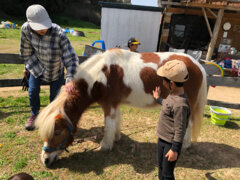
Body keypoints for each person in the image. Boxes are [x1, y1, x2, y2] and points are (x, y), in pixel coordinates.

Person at [20, 4, 78, 130]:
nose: (43, 29)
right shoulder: (25, 29)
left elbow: (71, 58)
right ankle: (35, 114)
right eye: (39, 26)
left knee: (55, 97)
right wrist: (26, 67)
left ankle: (52, 118)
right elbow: (26, 52)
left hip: (55, 68)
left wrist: (70, 79)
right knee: (33, 91)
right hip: (37, 66)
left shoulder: (59, 33)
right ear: (30, 23)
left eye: (45, 25)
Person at [152, 60, 190, 180]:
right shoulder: (173, 94)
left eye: (164, 79)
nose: (162, 81)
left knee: (167, 175)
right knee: (161, 169)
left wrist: (174, 149)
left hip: (170, 144)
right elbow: (167, 104)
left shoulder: (180, 105)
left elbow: (180, 129)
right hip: (162, 140)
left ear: (171, 83)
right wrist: (158, 99)